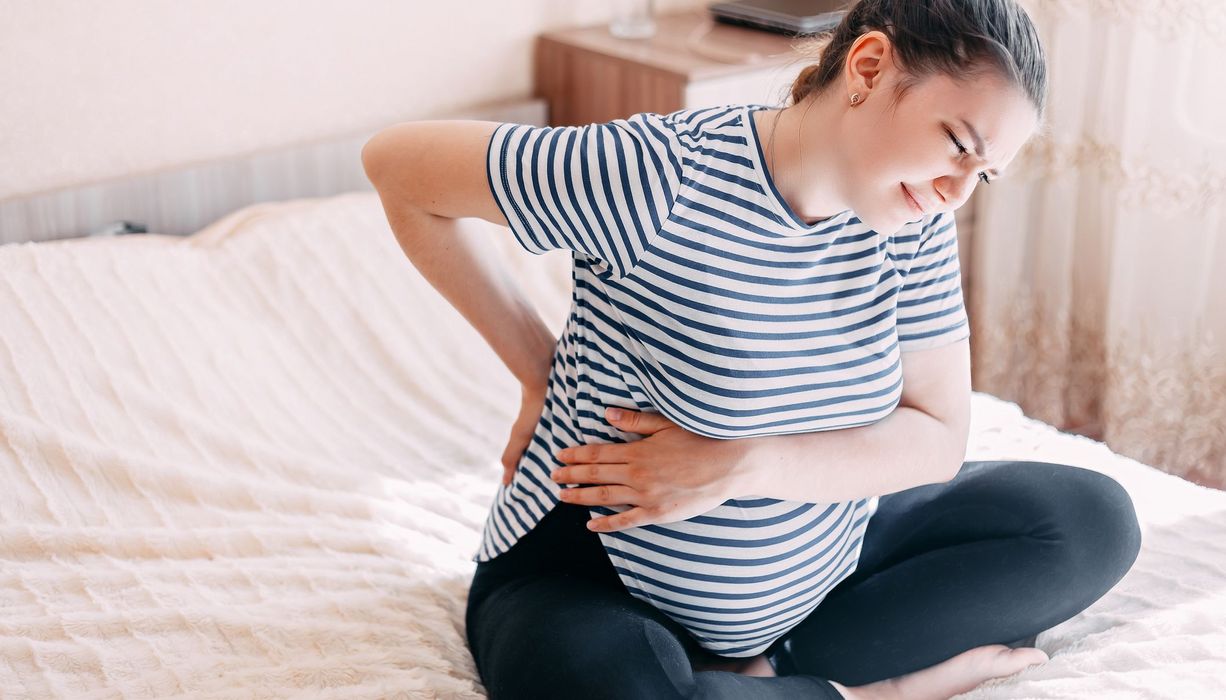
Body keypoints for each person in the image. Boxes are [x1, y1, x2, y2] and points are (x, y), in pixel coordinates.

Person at [361, 0, 1143, 697]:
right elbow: (396, 169)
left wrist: (745, 463)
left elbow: (937, 436)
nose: (955, 191)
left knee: (1088, 520)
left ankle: (774, 670)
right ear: (869, 67)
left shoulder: (915, 222)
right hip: (595, 575)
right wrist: (537, 370)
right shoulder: (654, 177)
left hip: (816, 574)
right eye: (956, 143)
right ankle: (874, 692)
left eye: (985, 174)